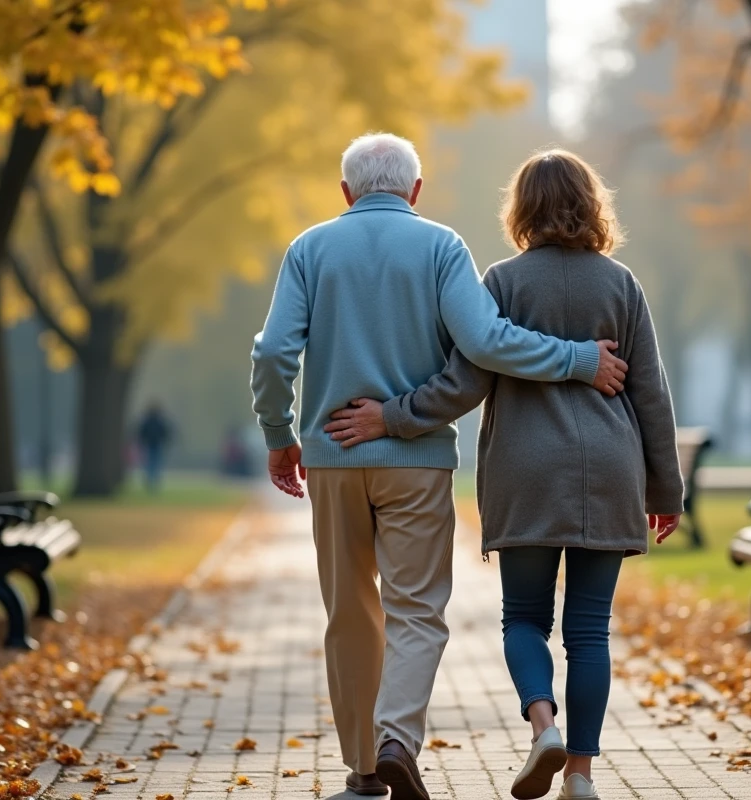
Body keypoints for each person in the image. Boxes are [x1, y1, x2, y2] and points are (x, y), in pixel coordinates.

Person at [250, 134, 629, 800]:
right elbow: (485, 343)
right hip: (418, 461)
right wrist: (578, 359)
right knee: (416, 612)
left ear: (348, 193)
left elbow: (275, 350)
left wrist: (281, 434)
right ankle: (398, 736)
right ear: (415, 191)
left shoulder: (309, 248)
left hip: (333, 458)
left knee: (348, 612)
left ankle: (365, 770)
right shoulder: (441, 247)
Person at [323, 149, 684, 800]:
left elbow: (463, 381)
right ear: (593, 203)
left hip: (525, 470)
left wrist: (393, 416)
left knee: (523, 617)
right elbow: (651, 394)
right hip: (609, 469)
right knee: (590, 629)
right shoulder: (621, 285)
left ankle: (542, 724)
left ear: (521, 208)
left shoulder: (502, 282)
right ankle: (580, 774)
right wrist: (665, 491)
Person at [136, 403, 173, 493]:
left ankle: (152, 481)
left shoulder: (148, 421)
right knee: (154, 464)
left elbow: (142, 433)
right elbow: (164, 433)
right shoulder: (157, 421)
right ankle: (152, 482)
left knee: (151, 464)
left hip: (153, 445)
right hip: (152, 445)